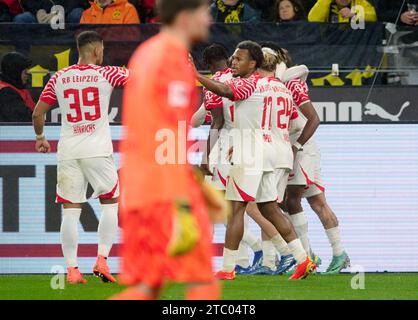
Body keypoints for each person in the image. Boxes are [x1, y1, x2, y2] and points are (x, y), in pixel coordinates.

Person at [113, 0, 221, 300]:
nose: (209, 21)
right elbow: (167, 135)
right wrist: (184, 195)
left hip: (139, 188)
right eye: (204, 13)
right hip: (165, 191)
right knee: (203, 283)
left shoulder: (146, 53)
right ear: (186, 17)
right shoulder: (173, 60)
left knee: (149, 287)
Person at [197, 40, 316, 281]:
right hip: (275, 150)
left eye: (239, 59)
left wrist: (195, 75)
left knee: (236, 208)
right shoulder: (281, 88)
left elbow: (225, 91)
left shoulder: (249, 83)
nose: (234, 62)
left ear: (255, 64)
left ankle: (228, 267)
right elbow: (293, 120)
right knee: (269, 208)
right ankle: (303, 259)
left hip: (251, 150)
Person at [32, 31, 129, 284]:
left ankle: (72, 270)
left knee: (70, 211)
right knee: (110, 202)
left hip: (69, 151)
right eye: (102, 50)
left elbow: (37, 113)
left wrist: (41, 137)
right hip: (98, 150)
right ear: (97, 51)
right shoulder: (107, 73)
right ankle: (102, 260)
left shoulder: (59, 77)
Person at [274, 47, 350, 274]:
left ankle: (308, 257)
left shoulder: (293, 82)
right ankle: (331, 254)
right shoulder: (275, 84)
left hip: (302, 147)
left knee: (293, 199)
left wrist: (297, 146)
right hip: (292, 147)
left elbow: (313, 118)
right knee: (309, 201)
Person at [0, 52, 34, 122]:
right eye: (24, 72)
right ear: (16, 72)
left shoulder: (16, 88)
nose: (27, 75)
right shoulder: (6, 93)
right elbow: (24, 119)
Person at [14, 0, 87, 24]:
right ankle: (23, 54)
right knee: (22, 19)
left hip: (65, 14)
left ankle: (76, 50)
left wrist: (59, 13)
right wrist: (37, 11)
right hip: (41, 15)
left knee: (78, 13)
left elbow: (77, 2)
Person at [308, 0, 377, 23]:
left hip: (355, 46)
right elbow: (312, 19)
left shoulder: (360, 2)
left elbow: (373, 16)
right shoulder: (326, 3)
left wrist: (354, 14)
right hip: (330, 46)